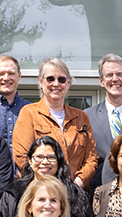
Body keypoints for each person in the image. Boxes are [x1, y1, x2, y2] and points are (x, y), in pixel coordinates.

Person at [2, 135, 97, 217]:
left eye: (51, 157)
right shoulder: (13, 193)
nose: (45, 162)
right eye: (39, 157)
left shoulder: (74, 194)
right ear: (30, 161)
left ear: (59, 161)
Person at [11, 58, 98, 189]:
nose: (56, 84)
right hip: (39, 192)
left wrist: (75, 185)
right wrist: (49, 187)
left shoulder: (81, 117)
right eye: (50, 79)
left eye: (61, 79)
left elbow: (91, 159)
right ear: (41, 82)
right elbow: (22, 157)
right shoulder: (29, 113)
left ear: (68, 84)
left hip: (75, 193)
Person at [85, 54, 122, 179]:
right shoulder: (86, 117)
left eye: (119, 74)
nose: (115, 79)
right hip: (97, 193)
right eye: (109, 75)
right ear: (101, 81)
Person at [0, 55, 30, 141]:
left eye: (11, 73)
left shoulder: (30, 110)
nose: (6, 78)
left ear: (19, 76)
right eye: (0, 74)